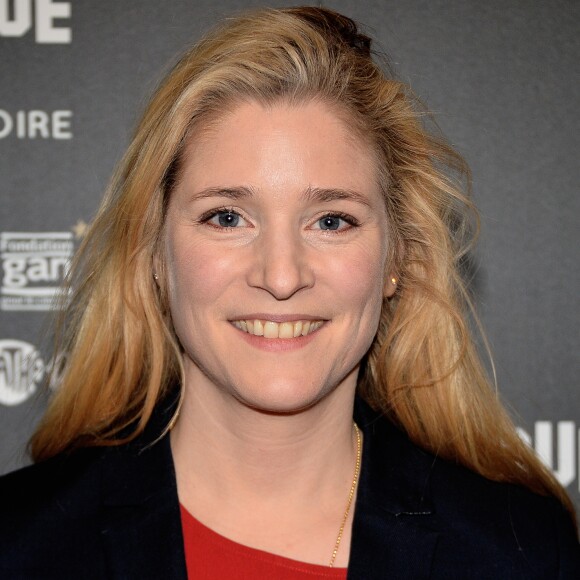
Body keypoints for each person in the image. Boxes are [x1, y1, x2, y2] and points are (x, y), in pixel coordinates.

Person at [1, 6, 578, 579]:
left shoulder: (519, 553)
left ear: (398, 257)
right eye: (227, 217)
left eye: (331, 221)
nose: (281, 277)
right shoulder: (20, 545)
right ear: (154, 252)